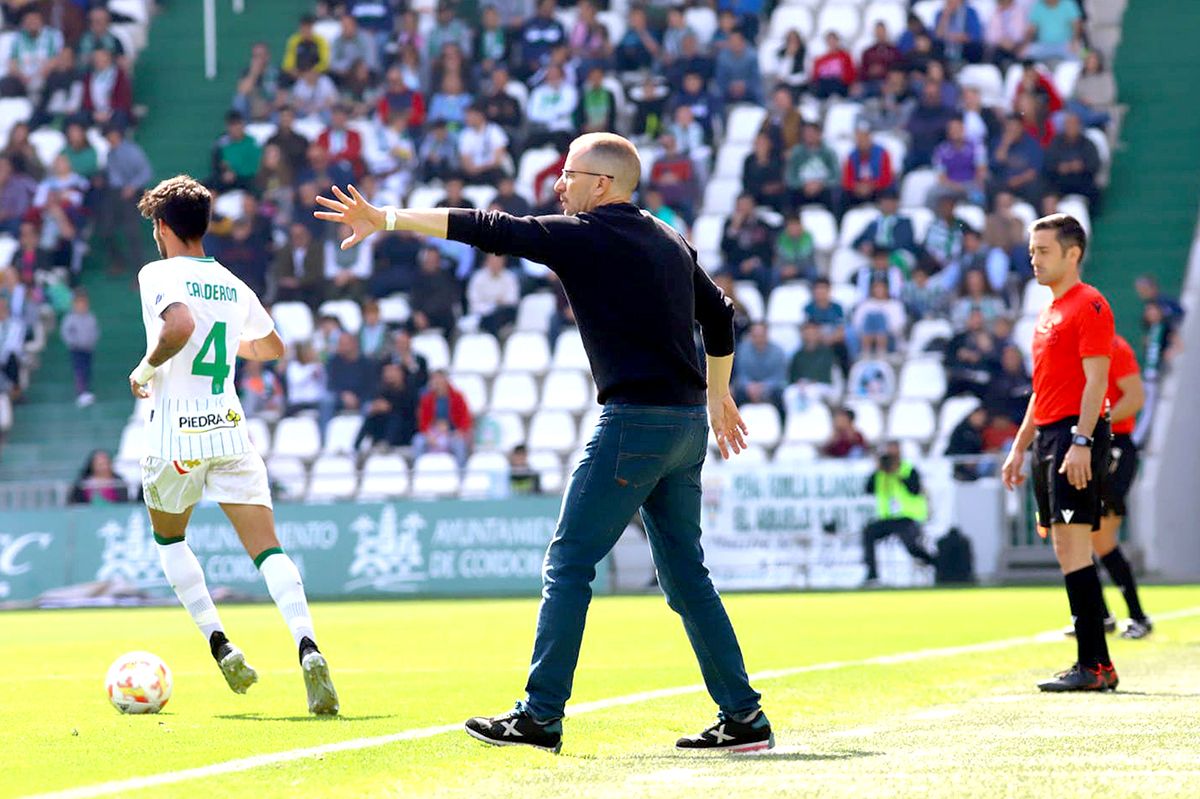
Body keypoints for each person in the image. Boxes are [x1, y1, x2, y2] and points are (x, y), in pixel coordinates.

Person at [315, 131, 772, 753]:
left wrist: (386, 218)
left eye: (569, 174)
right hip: (686, 427)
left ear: (601, 185)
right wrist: (719, 397)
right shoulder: (669, 238)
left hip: (635, 422)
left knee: (568, 561)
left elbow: (490, 228)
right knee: (687, 577)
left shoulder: (587, 235)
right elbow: (721, 314)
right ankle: (744, 718)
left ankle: (540, 716)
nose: (559, 185)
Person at [127, 175, 338, 715]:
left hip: (176, 432)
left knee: (170, 541)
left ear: (163, 227)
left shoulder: (158, 272)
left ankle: (221, 644)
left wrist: (146, 367)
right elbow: (272, 346)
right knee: (268, 550)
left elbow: (177, 326)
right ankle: (307, 645)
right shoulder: (229, 281)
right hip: (229, 426)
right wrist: (222, 344)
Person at [1001, 213, 1117, 692]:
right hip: (1050, 435)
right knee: (1064, 546)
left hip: (1074, 433)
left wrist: (1083, 441)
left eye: (1044, 250)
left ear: (1073, 254)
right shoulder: (1048, 313)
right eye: (1032, 251)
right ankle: (1095, 663)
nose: (1034, 259)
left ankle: (1094, 664)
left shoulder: (1088, 305)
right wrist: (1018, 447)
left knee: (1073, 544)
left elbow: (1097, 381)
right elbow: (1041, 390)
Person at [1083, 333, 1152, 638]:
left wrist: (1099, 420)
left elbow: (1135, 398)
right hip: (1092, 445)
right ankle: (1103, 615)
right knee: (1082, 537)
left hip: (1115, 446)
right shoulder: (1080, 348)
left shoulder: (1115, 347)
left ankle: (1137, 616)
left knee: (1101, 535)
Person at [861, 441, 937, 584]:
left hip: (908, 517)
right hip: (888, 519)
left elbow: (915, 490)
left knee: (911, 545)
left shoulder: (908, 470)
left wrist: (897, 474)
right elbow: (868, 489)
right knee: (868, 533)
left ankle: (935, 562)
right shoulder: (880, 473)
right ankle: (872, 575)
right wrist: (877, 469)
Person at [61, 287, 98, 407]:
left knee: (87, 370)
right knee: (79, 370)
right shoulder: (70, 318)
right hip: (76, 350)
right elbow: (66, 332)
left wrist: (91, 341)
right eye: (79, 303)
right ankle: (81, 392)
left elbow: (95, 331)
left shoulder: (90, 317)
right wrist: (73, 342)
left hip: (88, 349)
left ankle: (86, 391)